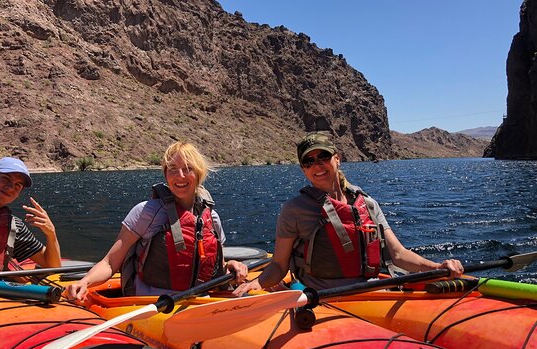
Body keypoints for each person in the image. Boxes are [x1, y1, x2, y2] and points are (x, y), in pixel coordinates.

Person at [233, 131, 463, 295]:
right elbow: (278, 265)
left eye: (323, 156)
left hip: (372, 291)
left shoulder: (368, 204)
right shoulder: (294, 210)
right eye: (309, 161)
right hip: (323, 297)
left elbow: (398, 255)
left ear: (337, 159)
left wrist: (437, 267)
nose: (318, 165)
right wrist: (259, 283)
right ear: (303, 169)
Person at [67, 141, 248, 301]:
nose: (180, 176)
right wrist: (85, 282)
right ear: (165, 174)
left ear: (199, 173)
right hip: (152, 304)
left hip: (197, 302)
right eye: (173, 169)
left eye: (188, 169)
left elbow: (217, 267)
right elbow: (110, 262)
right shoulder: (146, 212)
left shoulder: (212, 218)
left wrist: (230, 267)